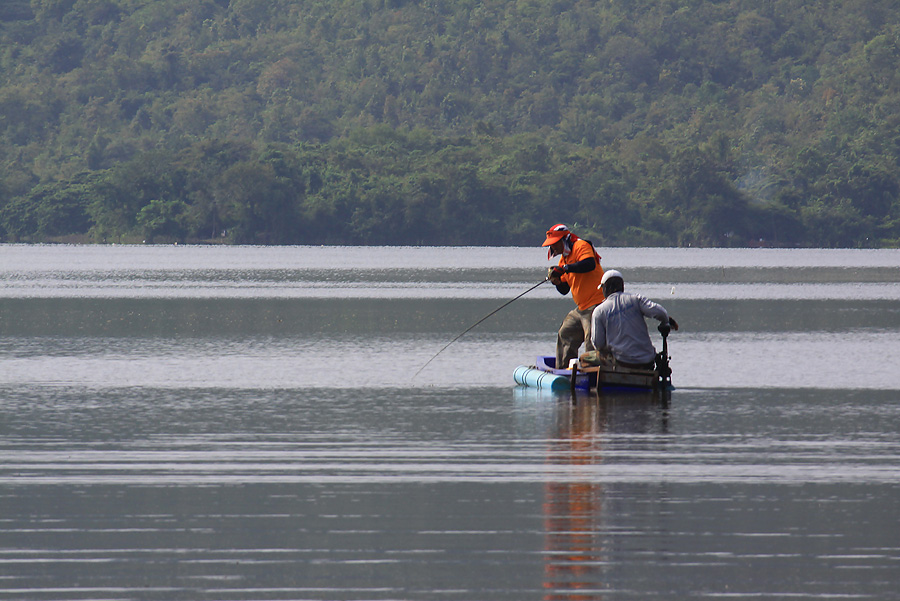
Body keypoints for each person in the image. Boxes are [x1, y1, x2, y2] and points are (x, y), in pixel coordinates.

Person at [542, 223, 606, 370]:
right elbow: (564, 289)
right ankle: (564, 371)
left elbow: (588, 264)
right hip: (581, 308)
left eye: (555, 244)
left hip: (597, 304)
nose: (553, 248)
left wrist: (565, 268)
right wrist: (556, 281)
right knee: (565, 333)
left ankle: (593, 373)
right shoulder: (563, 260)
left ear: (563, 240)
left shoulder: (580, 246)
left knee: (592, 340)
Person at [589, 269, 679, 369]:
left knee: (585, 358)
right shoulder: (635, 299)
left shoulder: (599, 311)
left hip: (622, 362)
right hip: (647, 361)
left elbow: (598, 344)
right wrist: (665, 322)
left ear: (605, 288)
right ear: (622, 286)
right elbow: (660, 312)